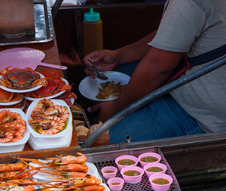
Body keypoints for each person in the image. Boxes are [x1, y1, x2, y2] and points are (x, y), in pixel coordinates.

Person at [83, 0, 226, 144]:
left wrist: (113, 110)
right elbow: (173, 31)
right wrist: (119, 56)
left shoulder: (188, 2)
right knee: (97, 77)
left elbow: (157, 68)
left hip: (200, 116)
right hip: (184, 86)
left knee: (104, 143)